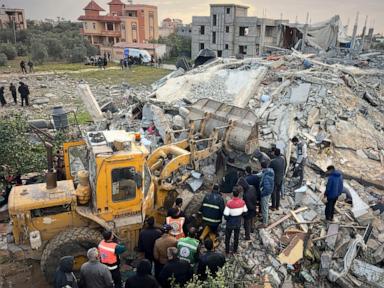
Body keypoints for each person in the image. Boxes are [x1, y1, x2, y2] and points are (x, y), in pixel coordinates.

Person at [223, 186, 248, 254]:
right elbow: (245, 212)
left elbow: (225, 215)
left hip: (230, 223)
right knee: (236, 237)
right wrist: (239, 215)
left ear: (232, 194)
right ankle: (235, 250)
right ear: (239, 194)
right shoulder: (242, 202)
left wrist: (228, 219)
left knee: (227, 237)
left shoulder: (229, 203)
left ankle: (227, 251)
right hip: (238, 222)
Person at [259, 161, 275, 228]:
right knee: (265, 207)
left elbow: (267, 188)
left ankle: (265, 223)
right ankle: (265, 219)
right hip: (270, 192)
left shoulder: (266, 177)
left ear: (262, 167)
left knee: (264, 208)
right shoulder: (270, 171)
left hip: (266, 194)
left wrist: (262, 194)